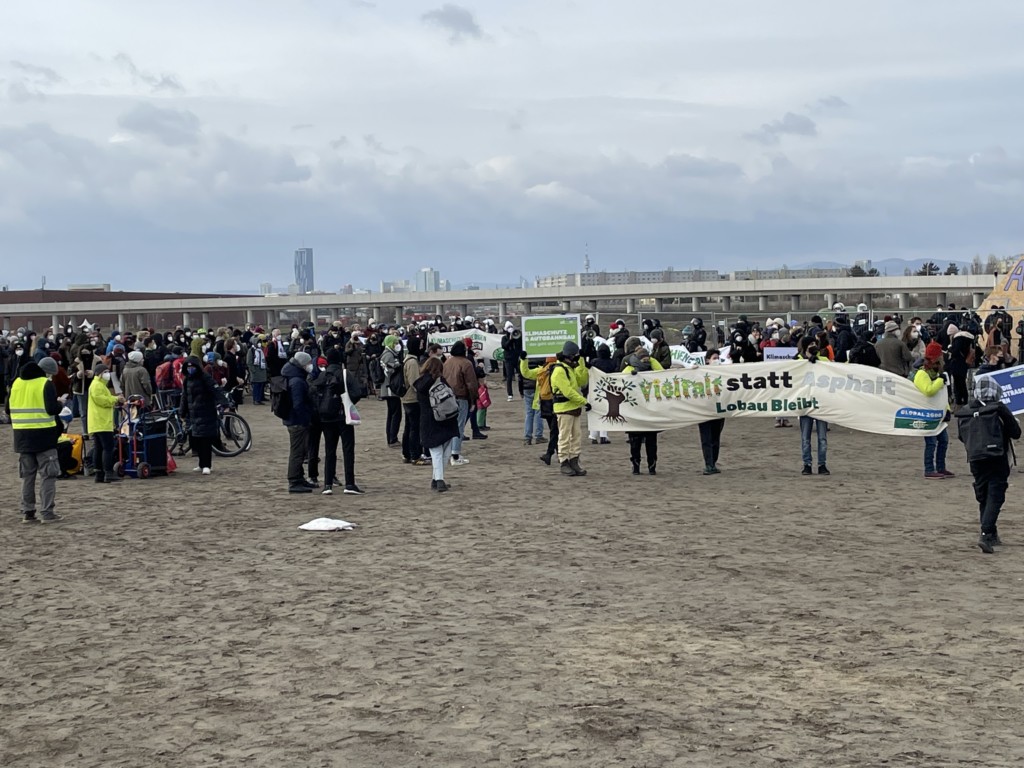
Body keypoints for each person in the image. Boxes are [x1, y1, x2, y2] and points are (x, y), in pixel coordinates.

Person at [959, 377, 1020, 552]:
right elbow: (1015, 433)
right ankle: (986, 533)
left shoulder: (966, 411)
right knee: (995, 495)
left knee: (983, 494)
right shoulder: (998, 409)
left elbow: (962, 436)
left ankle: (991, 533)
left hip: (975, 458)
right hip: (997, 457)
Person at [7, 356, 64, 522]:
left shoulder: (16, 383)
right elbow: (52, 408)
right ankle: (47, 512)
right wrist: (60, 403)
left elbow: (9, 410)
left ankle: (28, 512)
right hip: (44, 437)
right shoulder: (45, 384)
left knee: (28, 477)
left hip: (21, 437)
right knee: (48, 476)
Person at [311, 348, 363, 495]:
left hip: (326, 418)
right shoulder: (345, 374)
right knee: (348, 450)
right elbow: (357, 393)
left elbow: (313, 392)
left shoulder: (322, 375)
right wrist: (348, 401)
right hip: (343, 416)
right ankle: (350, 484)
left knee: (329, 450)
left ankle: (327, 484)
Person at [414, 356, 459, 491]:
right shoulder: (441, 381)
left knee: (436, 451)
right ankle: (439, 480)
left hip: (428, 421)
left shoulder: (420, 384)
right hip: (446, 419)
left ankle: (437, 479)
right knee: (444, 451)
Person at [620, 341, 662, 475]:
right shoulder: (628, 370)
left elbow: (664, 374)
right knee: (635, 442)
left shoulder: (652, 369)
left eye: (648, 359)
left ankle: (652, 466)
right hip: (635, 410)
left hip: (649, 410)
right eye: (644, 359)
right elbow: (620, 384)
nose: (646, 361)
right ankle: (636, 465)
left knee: (651, 442)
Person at [550, 340, 590, 477]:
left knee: (576, 437)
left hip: (573, 407)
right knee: (565, 437)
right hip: (564, 408)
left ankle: (574, 460)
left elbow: (582, 381)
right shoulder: (559, 370)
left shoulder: (570, 369)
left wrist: (582, 362)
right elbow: (568, 391)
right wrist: (584, 401)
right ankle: (564, 462)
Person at [914, 341, 953, 479]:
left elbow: (942, 395)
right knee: (931, 443)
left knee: (943, 441)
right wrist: (940, 381)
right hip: (927, 414)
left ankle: (941, 467)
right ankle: (929, 469)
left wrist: (947, 410)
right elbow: (928, 391)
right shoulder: (922, 374)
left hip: (938, 414)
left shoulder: (936, 373)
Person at [179, 355, 221, 475]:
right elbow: (184, 397)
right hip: (193, 414)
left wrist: (223, 403)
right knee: (196, 440)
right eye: (188, 367)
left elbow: (215, 390)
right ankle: (201, 464)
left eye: (192, 367)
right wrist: (182, 411)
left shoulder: (205, 378)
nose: (190, 369)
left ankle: (207, 465)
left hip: (206, 412)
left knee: (205, 441)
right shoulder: (187, 380)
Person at [283, 351, 316, 493]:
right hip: (297, 421)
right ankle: (294, 481)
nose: (310, 366)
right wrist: (305, 419)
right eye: (308, 364)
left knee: (300, 450)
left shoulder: (293, 375)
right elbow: (298, 404)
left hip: (293, 419)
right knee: (297, 452)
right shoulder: (296, 380)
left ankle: (299, 478)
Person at [442, 340, 478, 466]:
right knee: (459, 426)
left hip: (446, 397)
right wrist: (473, 399)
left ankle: (447, 453)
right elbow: (471, 384)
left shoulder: (447, 362)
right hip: (461, 397)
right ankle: (455, 455)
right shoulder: (466, 364)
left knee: (448, 426)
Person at [88, 363, 125, 484]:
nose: (107, 374)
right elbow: (102, 401)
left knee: (99, 448)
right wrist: (116, 399)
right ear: (99, 374)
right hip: (102, 421)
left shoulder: (97, 385)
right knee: (108, 448)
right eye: (105, 372)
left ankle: (99, 474)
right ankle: (108, 472)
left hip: (97, 422)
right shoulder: (97, 385)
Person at [798, 339, 829, 475]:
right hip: (805, 403)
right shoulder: (797, 360)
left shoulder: (823, 359)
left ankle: (822, 464)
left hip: (821, 403)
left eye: (815, 344)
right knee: (805, 438)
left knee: (822, 438)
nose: (813, 346)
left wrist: (818, 361)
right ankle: (807, 464)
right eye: (810, 344)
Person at [698, 349, 726, 475]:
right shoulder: (699, 373)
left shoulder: (723, 374)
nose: (716, 360)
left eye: (718, 358)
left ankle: (713, 462)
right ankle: (708, 464)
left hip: (718, 410)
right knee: (706, 438)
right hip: (704, 410)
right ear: (708, 360)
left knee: (715, 438)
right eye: (714, 358)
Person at [400, 337, 427, 465]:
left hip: (407, 398)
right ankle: (415, 455)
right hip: (412, 398)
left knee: (409, 427)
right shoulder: (412, 362)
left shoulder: (408, 359)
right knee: (414, 428)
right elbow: (415, 382)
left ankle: (406, 453)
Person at [587, 344, 616, 444]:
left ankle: (593, 436)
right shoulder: (612, 363)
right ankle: (603, 435)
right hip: (608, 392)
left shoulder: (594, 362)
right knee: (605, 413)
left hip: (594, 391)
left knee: (593, 413)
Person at [246, 335, 268, 405]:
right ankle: (256, 399)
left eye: (260, 342)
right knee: (256, 386)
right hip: (256, 372)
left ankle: (259, 398)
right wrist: (253, 370)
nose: (259, 344)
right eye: (258, 342)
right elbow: (249, 362)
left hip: (262, 371)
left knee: (261, 386)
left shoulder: (260, 350)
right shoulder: (251, 350)